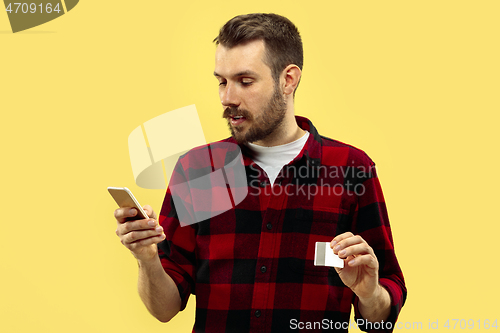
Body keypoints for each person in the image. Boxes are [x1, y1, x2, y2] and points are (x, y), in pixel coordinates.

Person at [114, 13, 406, 332]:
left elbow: (380, 315)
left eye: (245, 81)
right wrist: (147, 259)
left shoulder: (351, 168)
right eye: (222, 81)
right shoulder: (199, 169)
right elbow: (165, 308)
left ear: (288, 79)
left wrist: (369, 293)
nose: (227, 98)